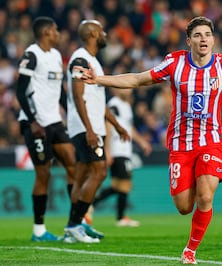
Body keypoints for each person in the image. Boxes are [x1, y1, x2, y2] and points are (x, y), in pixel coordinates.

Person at [75, 16, 222, 264]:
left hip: (211, 141)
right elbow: (138, 79)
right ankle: (190, 205)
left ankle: (190, 250)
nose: (203, 39)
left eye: (207, 35)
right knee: (184, 206)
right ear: (188, 40)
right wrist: (99, 79)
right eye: (198, 35)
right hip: (181, 145)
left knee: (205, 196)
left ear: (213, 39)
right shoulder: (174, 63)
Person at [64, 19, 130, 243]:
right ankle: (75, 224)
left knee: (82, 176)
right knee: (100, 172)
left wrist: (118, 125)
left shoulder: (93, 61)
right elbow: (77, 94)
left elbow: (97, 101)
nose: (105, 33)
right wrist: (89, 129)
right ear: (92, 33)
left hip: (93, 125)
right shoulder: (80, 59)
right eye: (101, 30)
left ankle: (75, 225)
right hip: (86, 127)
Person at [16, 16, 76, 242]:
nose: (59, 33)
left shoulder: (56, 55)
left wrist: (69, 113)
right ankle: (39, 230)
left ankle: (75, 224)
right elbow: (20, 91)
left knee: (73, 165)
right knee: (44, 174)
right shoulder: (31, 55)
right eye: (55, 29)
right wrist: (32, 121)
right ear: (46, 32)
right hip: (35, 123)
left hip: (54, 121)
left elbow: (58, 89)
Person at [85, 88, 152, 227]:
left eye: (129, 89)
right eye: (125, 88)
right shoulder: (114, 104)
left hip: (125, 149)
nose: (128, 91)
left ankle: (90, 204)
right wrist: (108, 150)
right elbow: (108, 125)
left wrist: (141, 141)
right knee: (125, 185)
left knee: (117, 186)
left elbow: (129, 128)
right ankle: (120, 217)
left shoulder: (126, 106)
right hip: (117, 149)